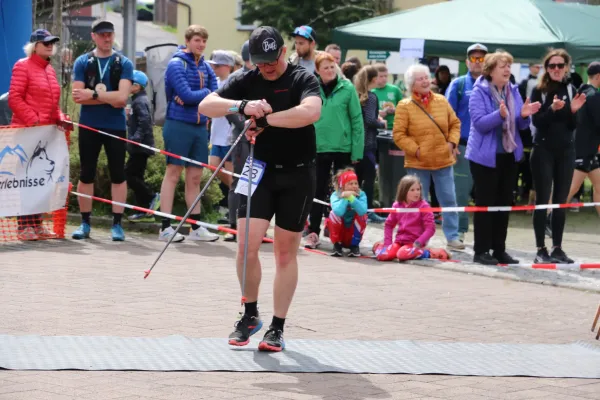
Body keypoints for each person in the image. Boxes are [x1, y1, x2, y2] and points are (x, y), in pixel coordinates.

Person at [197, 26, 322, 352]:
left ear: (283, 52)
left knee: (284, 252)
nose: (266, 68)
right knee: (245, 246)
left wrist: (267, 119)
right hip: (257, 170)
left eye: (271, 61)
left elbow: (311, 112)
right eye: (259, 62)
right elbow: (207, 105)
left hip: (297, 173)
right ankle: (250, 313)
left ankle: (277, 327)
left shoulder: (301, 78)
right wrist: (242, 107)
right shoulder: (246, 79)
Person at [466, 51, 541, 265]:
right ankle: (481, 251)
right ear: (490, 70)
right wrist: (500, 115)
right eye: (502, 66)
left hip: (508, 155)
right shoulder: (478, 92)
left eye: (509, 65)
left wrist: (524, 115)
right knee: (485, 204)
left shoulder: (513, 89)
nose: (508, 70)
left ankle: (499, 249)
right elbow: (480, 123)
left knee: (503, 203)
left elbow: (520, 124)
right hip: (484, 158)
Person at [71, 20, 134, 242]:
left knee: (118, 174)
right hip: (89, 125)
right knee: (86, 173)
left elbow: (122, 99)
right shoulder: (83, 61)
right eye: (102, 35)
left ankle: (117, 223)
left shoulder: (123, 62)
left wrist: (94, 95)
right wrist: (109, 98)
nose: (107, 38)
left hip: (115, 126)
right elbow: (78, 97)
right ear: (94, 36)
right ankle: (85, 222)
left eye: (110, 34)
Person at [158, 24, 219, 243]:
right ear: (187, 41)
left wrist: (199, 95)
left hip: (200, 126)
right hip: (178, 124)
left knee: (195, 177)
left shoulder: (205, 65)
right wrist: (204, 95)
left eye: (203, 41)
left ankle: (195, 227)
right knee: (173, 172)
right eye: (197, 41)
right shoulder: (176, 64)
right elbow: (187, 94)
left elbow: (216, 90)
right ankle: (165, 227)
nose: (201, 45)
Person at [393, 64, 464, 250]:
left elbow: (455, 123)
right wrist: (416, 150)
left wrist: (452, 142)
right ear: (411, 84)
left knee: (449, 199)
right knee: (417, 202)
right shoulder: (404, 106)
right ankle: (418, 238)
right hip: (418, 163)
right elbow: (398, 134)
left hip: (443, 160)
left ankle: (453, 236)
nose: (425, 81)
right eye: (420, 78)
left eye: (426, 77)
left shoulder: (441, 100)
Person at [8, 29, 68, 241]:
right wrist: (33, 119)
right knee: (26, 179)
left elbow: (53, 104)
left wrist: (60, 116)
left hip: (46, 134)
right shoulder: (22, 65)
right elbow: (14, 98)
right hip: (26, 132)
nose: (50, 45)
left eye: (52, 42)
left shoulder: (50, 70)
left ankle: (37, 224)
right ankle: (24, 226)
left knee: (41, 179)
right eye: (46, 42)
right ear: (35, 45)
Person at [530, 49, 587, 264]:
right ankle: (540, 248)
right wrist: (552, 109)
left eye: (560, 65)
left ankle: (557, 248)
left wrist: (573, 112)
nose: (556, 69)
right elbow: (537, 123)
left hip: (566, 151)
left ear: (566, 68)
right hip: (543, 150)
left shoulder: (571, 89)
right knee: (543, 200)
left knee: (561, 201)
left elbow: (574, 125)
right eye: (552, 66)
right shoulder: (539, 90)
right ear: (546, 68)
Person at [303, 52, 364, 250]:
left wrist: (357, 151)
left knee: (345, 192)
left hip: (343, 148)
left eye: (332, 66)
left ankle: (345, 234)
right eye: (325, 68)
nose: (329, 71)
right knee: (316, 190)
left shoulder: (347, 88)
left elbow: (356, 120)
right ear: (318, 71)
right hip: (318, 147)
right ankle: (313, 232)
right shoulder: (311, 88)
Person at [446, 43, 488, 242]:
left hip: (488, 147)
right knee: (460, 192)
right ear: (467, 61)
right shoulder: (459, 84)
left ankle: (486, 235)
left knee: (486, 193)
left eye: (481, 58)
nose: (477, 62)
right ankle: (460, 231)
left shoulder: (493, 83)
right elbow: (447, 116)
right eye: (474, 58)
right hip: (463, 145)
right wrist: (451, 144)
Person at [372, 175, 449, 262]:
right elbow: (389, 224)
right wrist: (387, 243)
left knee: (402, 255)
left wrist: (419, 242)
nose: (416, 193)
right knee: (383, 255)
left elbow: (430, 228)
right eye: (412, 190)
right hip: (399, 242)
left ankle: (430, 252)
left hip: (415, 243)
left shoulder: (424, 206)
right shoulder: (397, 205)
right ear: (404, 191)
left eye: (418, 189)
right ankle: (380, 246)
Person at [224, 40, 254, 242]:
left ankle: (253, 226)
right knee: (238, 182)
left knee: (256, 183)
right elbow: (228, 106)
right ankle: (233, 225)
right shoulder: (236, 78)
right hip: (241, 138)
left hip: (261, 137)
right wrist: (243, 123)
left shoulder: (265, 78)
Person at [125, 70, 160, 222]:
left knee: (129, 175)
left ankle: (152, 197)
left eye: (128, 83)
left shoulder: (140, 101)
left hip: (140, 147)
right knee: (136, 176)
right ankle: (144, 209)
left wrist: (135, 139)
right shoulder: (137, 100)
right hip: (138, 146)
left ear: (136, 86)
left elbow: (145, 121)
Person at [566, 61, 600, 217]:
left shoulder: (581, 91)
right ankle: (547, 217)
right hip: (584, 150)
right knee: (570, 188)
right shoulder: (594, 96)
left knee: (599, 187)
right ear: (598, 77)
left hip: (589, 150)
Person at [354, 65, 387, 224]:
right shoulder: (371, 97)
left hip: (355, 145)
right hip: (368, 144)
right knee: (368, 180)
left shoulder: (354, 94)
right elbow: (369, 120)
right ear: (373, 80)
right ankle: (367, 212)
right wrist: (382, 123)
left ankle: (355, 211)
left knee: (356, 181)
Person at [207, 50, 236, 210]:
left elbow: (233, 108)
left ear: (227, 66)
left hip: (229, 136)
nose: (215, 69)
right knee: (213, 166)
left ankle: (238, 203)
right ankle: (236, 192)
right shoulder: (215, 83)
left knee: (232, 172)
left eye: (217, 66)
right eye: (213, 66)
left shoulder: (232, 83)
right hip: (215, 135)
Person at [326, 168, 368, 257]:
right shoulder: (336, 195)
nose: (354, 186)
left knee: (363, 216)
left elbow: (362, 211)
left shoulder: (361, 194)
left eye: (356, 183)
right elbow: (338, 211)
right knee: (333, 214)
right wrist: (345, 197)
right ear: (343, 185)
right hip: (340, 232)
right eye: (350, 183)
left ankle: (354, 246)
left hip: (352, 233)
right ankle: (337, 245)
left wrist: (351, 198)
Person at [372, 63, 403, 131]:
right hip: (376, 128)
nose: (384, 78)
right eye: (381, 76)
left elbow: (404, 109)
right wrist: (377, 113)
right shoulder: (370, 91)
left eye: (386, 76)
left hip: (394, 128)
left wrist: (395, 110)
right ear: (374, 76)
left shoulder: (395, 90)